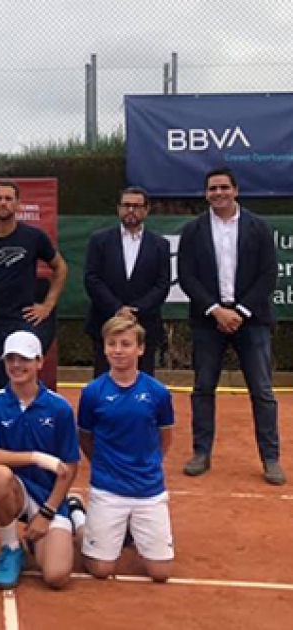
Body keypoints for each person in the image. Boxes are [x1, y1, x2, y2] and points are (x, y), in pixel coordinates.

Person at [177, 167, 284, 485]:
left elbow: (268, 274)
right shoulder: (193, 230)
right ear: (206, 193)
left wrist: (240, 311)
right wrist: (215, 311)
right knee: (203, 389)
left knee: (263, 391)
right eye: (212, 188)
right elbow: (187, 276)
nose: (218, 193)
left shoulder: (259, 227)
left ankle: (271, 459)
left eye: (224, 187)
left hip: (253, 322)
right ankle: (201, 453)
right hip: (208, 322)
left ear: (236, 190)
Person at [0, 331, 79, 590]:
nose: (17, 365)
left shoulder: (60, 408)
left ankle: (75, 513)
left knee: (56, 576)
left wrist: (47, 513)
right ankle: (11, 547)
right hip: (16, 492)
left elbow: (70, 466)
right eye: (11, 359)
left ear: (39, 362)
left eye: (24, 359)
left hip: (49, 498)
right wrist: (36, 458)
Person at [77, 316, 175, 582]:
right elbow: (85, 437)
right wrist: (105, 465)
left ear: (140, 349)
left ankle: (129, 528)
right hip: (108, 489)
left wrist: (149, 464)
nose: (118, 350)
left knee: (161, 573)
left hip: (149, 490)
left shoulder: (158, 392)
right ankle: (78, 516)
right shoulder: (92, 393)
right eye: (112, 344)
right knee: (101, 570)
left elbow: (165, 435)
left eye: (125, 344)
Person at [0, 181, 68, 400]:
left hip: (21, 322)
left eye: (8, 199)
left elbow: (60, 268)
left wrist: (48, 304)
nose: (3, 203)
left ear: (18, 204)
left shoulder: (33, 237)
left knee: (22, 385)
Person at [84, 186, 171, 376]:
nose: (131, 210)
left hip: (145, 325)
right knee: (104, 383)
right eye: (127, 205)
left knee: (144, 384)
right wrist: (117, 309)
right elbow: (92, 279)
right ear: (119, 209)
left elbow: (162, 284)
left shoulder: (160, 244)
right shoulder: (99, 240)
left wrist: (136, 311)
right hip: (105, 323)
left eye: (137, 206)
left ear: (146, 210)